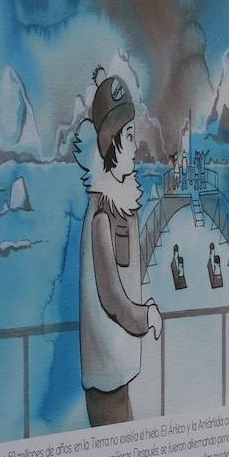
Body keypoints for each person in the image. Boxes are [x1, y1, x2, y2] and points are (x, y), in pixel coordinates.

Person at [74, 69, 162, 427]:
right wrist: (146, 316)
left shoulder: (118, 207)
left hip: (118, 371)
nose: (136, 146)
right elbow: (112, 297)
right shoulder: (102, 217)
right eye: (129, 135)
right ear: (111, 145)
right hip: (106, 378)